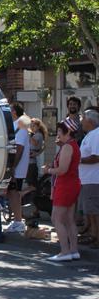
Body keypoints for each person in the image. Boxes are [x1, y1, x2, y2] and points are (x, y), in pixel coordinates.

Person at [43, 118, 81, 261]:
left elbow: (62, 170)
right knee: (69, 219)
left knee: (56, 218)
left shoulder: (67, 147)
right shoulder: (72, 145)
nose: (58, 132)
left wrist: (48, 170)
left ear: (68, 131)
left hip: (66, 185)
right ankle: (73, 251)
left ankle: (65, 251)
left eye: (60, 130)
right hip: (72, 184)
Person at [6, 108, 31, 233]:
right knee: (11, 193)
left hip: (17, 169)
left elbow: (19, 149)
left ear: (14, 112)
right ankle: (16, 220)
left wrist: (13, 167)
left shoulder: (21, 127)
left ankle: (18, 221)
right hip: (14, 167)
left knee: (15, 193)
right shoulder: (15, 126)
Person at [78, 108, 99, 250]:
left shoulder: (96, 135)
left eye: (83, 119)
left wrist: (78, 160)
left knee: (94, 211)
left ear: (90, 121)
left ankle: (97, 237)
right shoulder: (90, 134)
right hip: (87, 179)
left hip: (93, 179)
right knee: (90, 211)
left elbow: (96, 157)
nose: (81, 121)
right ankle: (93, 235)